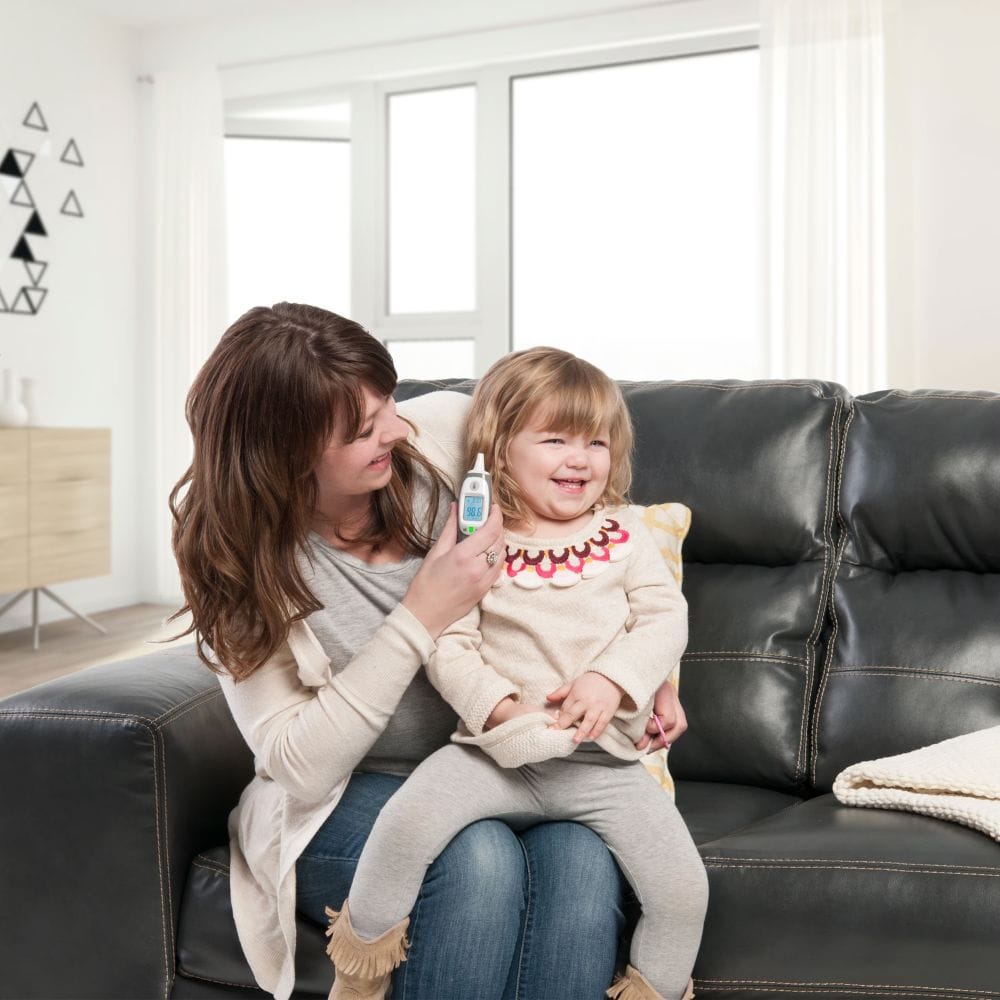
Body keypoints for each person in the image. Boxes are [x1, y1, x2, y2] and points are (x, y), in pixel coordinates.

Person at [169, 304, 689, 1000]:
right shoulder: (234, 560)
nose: (395, 427)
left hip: (520, 759)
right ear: (288, 454)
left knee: (580, 861)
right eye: (363, 429)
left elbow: (600, 534)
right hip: (355, 791)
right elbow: (297, 768)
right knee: (478, 860)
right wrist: (421, 614)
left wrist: (647, 677)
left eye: (386, 399)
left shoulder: (443, 434)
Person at [327, 347, 708, 1000]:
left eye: (596, 441)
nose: (580, 457)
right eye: (555, 439)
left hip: (601, 769)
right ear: (501, 452)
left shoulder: (624, 535)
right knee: (399, 832)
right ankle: (358, 981)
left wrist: (613, 682)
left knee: (684, 891)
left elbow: (662, 621)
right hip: (492, 755)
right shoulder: (476, 538)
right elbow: (447, 644)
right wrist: (503, 711)